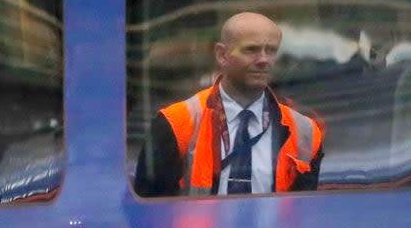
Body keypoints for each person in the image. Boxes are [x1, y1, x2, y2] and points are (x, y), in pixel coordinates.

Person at [134, 12, 324, 197]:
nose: (264, 60)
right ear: (222, 55)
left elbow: (303, 215)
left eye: (271, 51)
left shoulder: (305, 132)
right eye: (251, 49)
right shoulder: (176, 124)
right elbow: (148, 215)